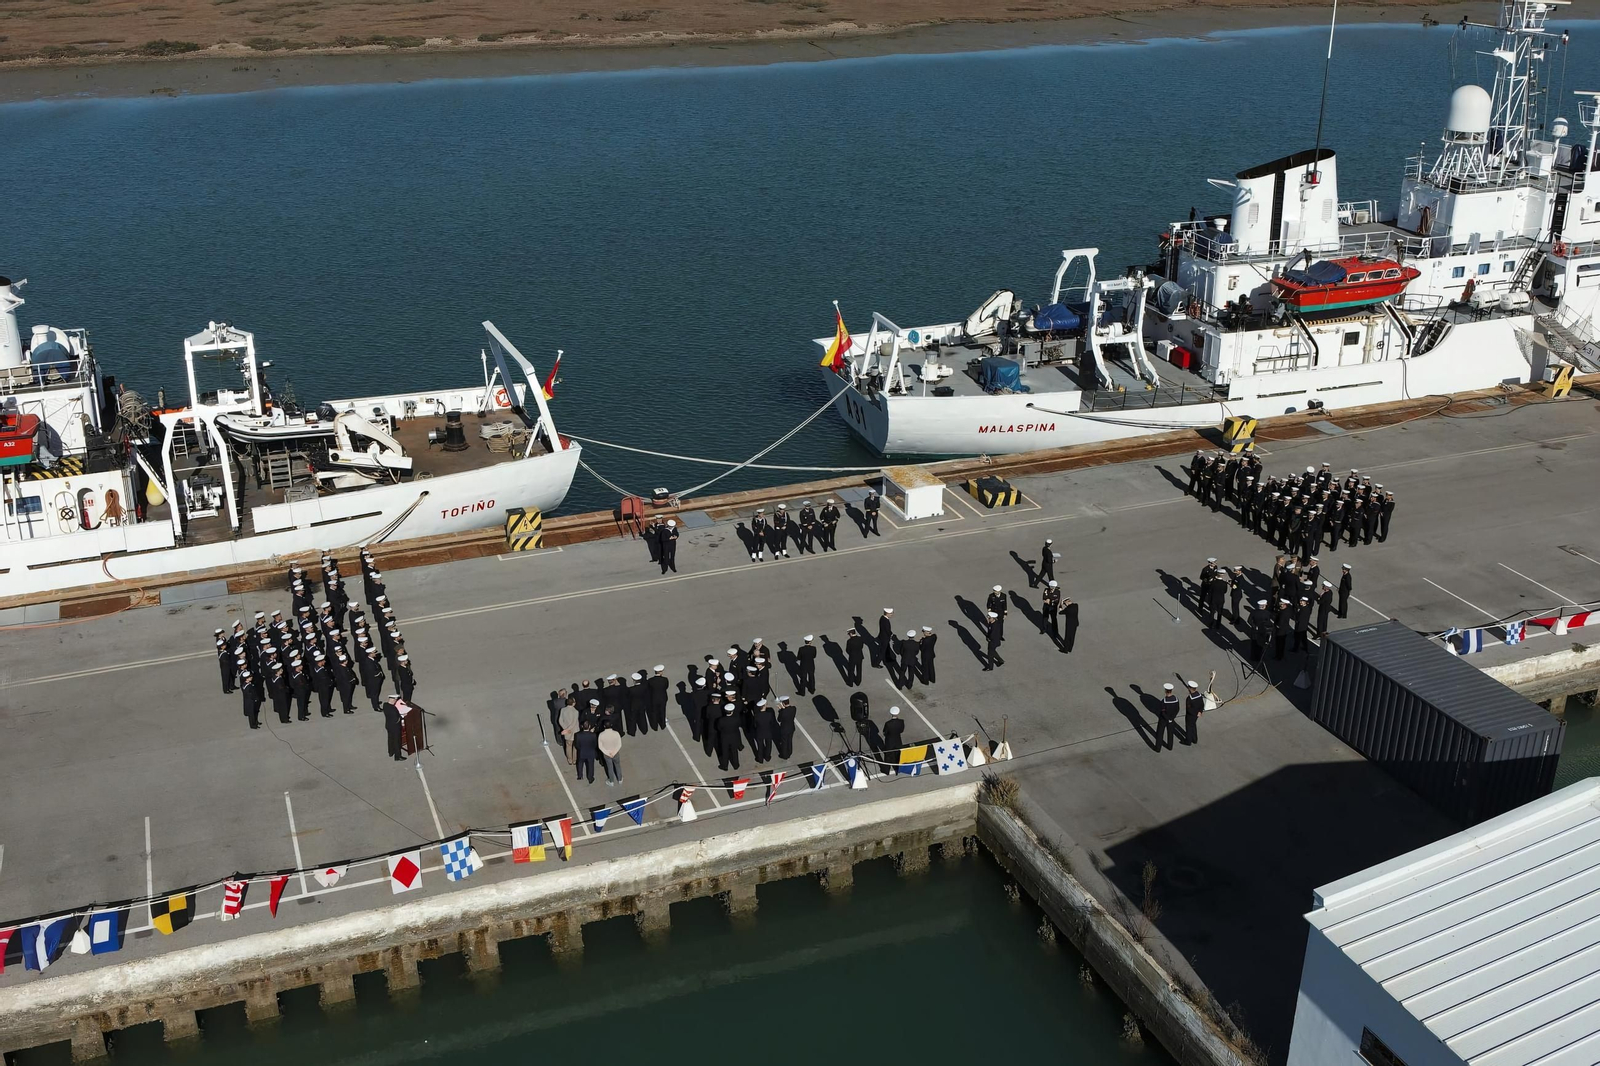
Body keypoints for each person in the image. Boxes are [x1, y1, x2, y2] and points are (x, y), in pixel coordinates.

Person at [715, 704, 743, 771]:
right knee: (734, 751)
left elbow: (719, 728)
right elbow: (738, 725)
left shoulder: (721, 720)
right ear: (732, 711)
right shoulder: (736, 719)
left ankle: (725, 766)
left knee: (725, 751)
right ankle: (736, 765)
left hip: (724, 737)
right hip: (734, 737)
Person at [359, 645, 386, 713]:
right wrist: (379, 675)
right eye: (374, 652)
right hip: (374, 680)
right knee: (374, 693)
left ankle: (376, 702)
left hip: (375, 679)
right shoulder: (369, 663)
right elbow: (373, 672)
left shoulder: (371, 660)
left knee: (376, 693)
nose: (375, 653)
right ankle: (376, 707)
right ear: (370, 654)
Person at [751, 698, 777, 762]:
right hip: (768, 732)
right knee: (768, 745)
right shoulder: (769, 714)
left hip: (759, 732)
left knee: (760, 746)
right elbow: (772, 723)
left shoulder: (756, 716)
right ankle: (767, 757)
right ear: (764, 706)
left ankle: (760, 759)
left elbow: (754, 725)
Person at [647, 665, 669, 731]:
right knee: (662, 711)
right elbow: (666, 687)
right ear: (660, 672)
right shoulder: (665, 680)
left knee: (654, 712)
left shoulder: (650, 680)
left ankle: (654, 726)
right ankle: (662, 725)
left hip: (654, 699)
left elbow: (649, 689)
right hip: (663, 698)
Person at [1158, 683, 1179, 750]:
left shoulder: (1164, 701)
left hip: (1164, 719)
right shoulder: (1176, 699)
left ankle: (1158, 748)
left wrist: (1167, 718)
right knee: (1170, 733)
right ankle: (1170, 746)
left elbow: (1163, 712)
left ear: (1165, 691)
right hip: (1172, 719)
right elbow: (1177, 709)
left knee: (1160, 733)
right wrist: (1172, 718)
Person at [1183, 680, 1204, 746]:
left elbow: (1189, 709)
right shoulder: (1199, 696)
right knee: (1193, 726)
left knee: (1189, 727)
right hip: (1196, 715)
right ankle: (1194, 739)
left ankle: (1188, 741)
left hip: (1190, 715)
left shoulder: (1189, 698)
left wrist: (1194, 713)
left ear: (1189, 688)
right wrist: (1200, 712)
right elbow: (1202, 704)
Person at [383, 696, 404, 761]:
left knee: (390, 739)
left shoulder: (385, 705)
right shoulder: (393, 709)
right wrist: (401, 717)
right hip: (395, 727)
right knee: (397, 741)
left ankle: (391, 752)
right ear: (393, 700)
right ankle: (398, 756)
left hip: (388, 726)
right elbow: (396, 720)